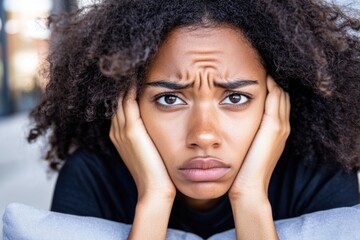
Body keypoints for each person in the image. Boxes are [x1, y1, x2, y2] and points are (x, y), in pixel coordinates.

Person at [27, 0, 360, 239]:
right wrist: (154, 201)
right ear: (127, 105)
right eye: (169, 99)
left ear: (277, 103)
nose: (203, 135)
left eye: (235, 97)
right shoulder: (92, 178)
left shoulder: (320, 174)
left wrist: (251, 201)